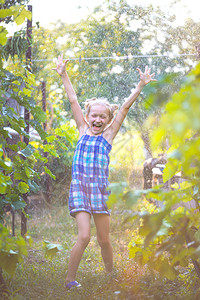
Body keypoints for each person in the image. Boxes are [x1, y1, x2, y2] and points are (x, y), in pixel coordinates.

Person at [53, 54, 156, 289]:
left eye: (102, 116)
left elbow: (126, 107)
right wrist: (64, 74)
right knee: (84, 237)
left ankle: (110, 274)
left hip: (100, 191)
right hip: (80, 190)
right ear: (87, 117)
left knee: (104, 239)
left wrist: (140, 85)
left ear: (109, 120)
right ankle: (70, 280)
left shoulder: (109, 135)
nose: (97, 119)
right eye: (94, 115)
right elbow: (72, 100)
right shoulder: (81, 130)